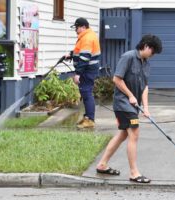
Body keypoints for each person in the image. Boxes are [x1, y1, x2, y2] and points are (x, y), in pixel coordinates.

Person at [96, 34, 162, 183]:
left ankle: (102, 164)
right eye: (153, 52)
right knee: (134, 133)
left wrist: (146, 108)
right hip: (122, 104)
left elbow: (145, 87)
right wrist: (130, 95)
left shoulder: (146, 63)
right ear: (146, 46)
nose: (152, 56)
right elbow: (116, 79)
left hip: (134, 106)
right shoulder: (128, 57)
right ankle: (134, 173)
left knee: (123, 135)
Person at [67, 17, 101, 129]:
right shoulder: (87, 36)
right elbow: (81, 51)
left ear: (83, 27)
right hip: (88, 70)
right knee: (86, 94)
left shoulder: (87, 38)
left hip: (87, 70)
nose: (76, 30)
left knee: (87, 94)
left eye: (77, 28)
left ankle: (90, 120)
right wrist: (71, 54)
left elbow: (85, 58)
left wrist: (78, 74)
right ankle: (87, 117)